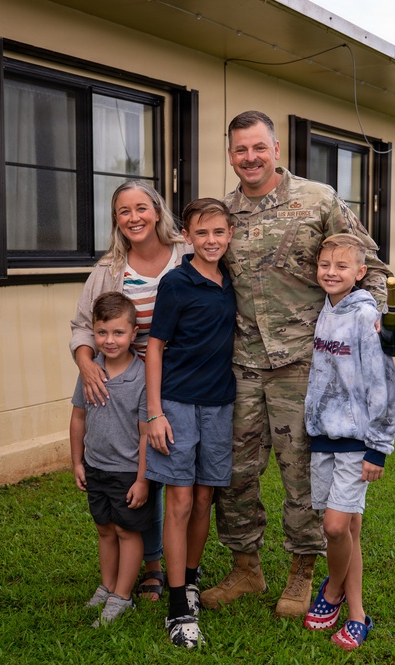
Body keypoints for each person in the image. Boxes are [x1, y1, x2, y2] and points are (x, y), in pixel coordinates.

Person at [201, 110, 395, 618]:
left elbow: (369, 265)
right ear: (229, 154)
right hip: (243, 363)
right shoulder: (224, 215)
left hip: (307, 363)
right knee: (235, 472)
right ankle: (246, 568)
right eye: (240, 149)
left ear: (276, 150)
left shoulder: (318, 200)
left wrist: (380, 319)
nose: (250, 157)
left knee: (301, 472)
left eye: (259, 147)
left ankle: (302, 571)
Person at [69, 180, 187, 601]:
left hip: (183, 382)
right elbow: (84, 325)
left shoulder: (187, 255)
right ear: (116, 220)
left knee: (173, 478)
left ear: (157, 211)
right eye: (124, 211)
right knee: (140, 472)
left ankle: (180, 568)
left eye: (141, 208)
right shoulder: (108, 269)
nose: (134, 217)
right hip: (128, 383)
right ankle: (152, 567)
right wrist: (86, 362)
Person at [145, 198, 237, 648]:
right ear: (186, 236)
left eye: (219, 232)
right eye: (201, 233)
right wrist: (155, 412)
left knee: (204, 498)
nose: (211, 240)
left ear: (230, 235)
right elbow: (155, 346)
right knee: (180, 500)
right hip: (178, 404)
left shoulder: (232, 282)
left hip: (220, 405)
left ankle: (191, 578)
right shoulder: (176, 283)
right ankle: (177, 604)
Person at [301, 234, 395, 650]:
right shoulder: (325, 309)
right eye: (325, 264)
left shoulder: (365, 316)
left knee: (334, 527)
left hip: (357, 441)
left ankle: (333, 590)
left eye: (341, 266)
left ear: (360, 273)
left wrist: (378, 447)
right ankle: (357, 615)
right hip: (323, 437)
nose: (331, 272)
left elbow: (383, 384)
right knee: (350, 529)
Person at [70, 292, 154, 626]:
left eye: (118, 332)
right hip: (95, 467)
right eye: (102, 332)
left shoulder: (142, 377)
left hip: (128, 472)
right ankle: (107, 586)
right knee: (104, 529)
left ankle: (122, 595)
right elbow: (78, 417)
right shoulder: (90, 371)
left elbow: (146, 434)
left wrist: (142, 480)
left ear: (134, 333)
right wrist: (77, 462)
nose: (109, 340)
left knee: (126, 531)